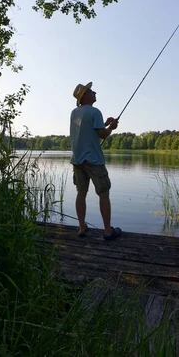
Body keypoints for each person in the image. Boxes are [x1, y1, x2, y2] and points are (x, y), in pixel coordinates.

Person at [70, 81, 122, 240]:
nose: (94, 92)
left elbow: (88, 130)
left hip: (78, 160)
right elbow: (103, 135)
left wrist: (105, 124)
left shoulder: (74, 113)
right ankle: (107, 231)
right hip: (94, 160)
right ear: (84, 96)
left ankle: (81, 227)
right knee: (104, 194)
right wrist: (111, 127)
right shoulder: (95, 112)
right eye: (91, 91)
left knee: (81, 193)